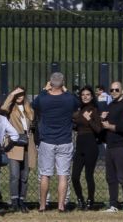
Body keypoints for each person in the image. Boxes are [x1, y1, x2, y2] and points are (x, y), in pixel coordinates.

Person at [29, 71, 80, 212]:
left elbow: (34, 104)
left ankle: (42, 205)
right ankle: (61, 206)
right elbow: (78, 102)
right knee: (63, 175)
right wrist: (66, 90)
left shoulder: (43, 98)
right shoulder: (69, 98)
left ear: (50, 83)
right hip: (64, 140)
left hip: (47, 140)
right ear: (62, 83)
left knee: (45, 174)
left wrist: (45, 90)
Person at [72, 84, 104, 210]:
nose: (85, 97)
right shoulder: (79, 110)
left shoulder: (94, 110)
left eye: (88, 95)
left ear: (92, 96)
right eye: (83, 95)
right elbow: (76, 125)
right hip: (80, 145)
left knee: (88, 176)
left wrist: (89, 119)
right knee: (74, 176)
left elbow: (99, 129)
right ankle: (80, 200)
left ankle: (90, 200)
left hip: (91, 145)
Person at [104, 81, 123, 212]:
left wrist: (108, 126)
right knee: (111, 177)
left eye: (117, 90)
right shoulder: (110, 105)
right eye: (111, 90)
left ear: (122, 91)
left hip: (121, 146)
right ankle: (113, 204)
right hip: (110, 145)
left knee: (122, 176)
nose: (114, 92)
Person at [4, 87, 34, 211]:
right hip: (15, 144)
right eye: (17, 93)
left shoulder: (29, 109)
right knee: (14, 175)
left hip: (28, 144)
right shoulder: (10, 109)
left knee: (25, 175)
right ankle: (14, 201)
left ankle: (22, 201)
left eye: (21, 93)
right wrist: (12, 94)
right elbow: (3, 107)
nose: (19, 95)